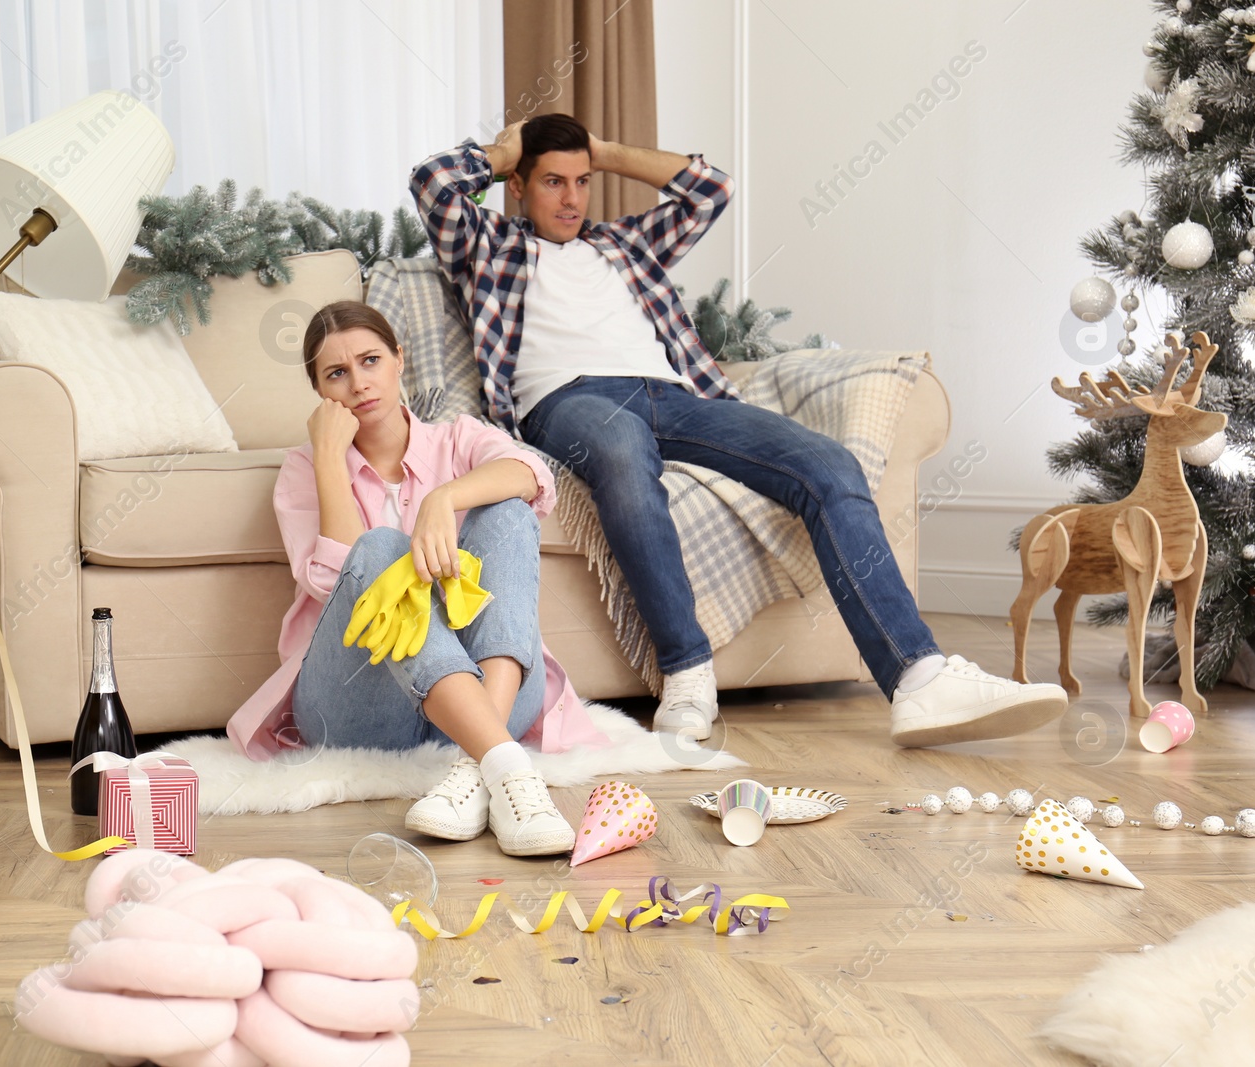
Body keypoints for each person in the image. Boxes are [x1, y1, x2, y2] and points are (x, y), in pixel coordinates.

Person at [409, 113, 1068, 748]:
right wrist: (506, 151)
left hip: (676, 395)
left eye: (582, 181)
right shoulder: (489, 245)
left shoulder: (623, 244)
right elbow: (433, 183)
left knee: (829, 465)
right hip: (570, 403)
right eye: (553, 180)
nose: (573, 197)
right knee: (620, 453)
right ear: (518, 187)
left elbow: (710, 189)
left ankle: (919, 676)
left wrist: (600, 148)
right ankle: (688, 672)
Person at [226, 300, 604, 857]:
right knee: (379, 548)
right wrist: (330, 458)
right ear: (320, 393)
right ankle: (507, 767)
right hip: (359, 705)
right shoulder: (304, 470)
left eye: (370, 360)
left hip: (485, 688)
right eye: (337, 374)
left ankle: (478, 768)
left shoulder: (458, 439)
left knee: (509, 509)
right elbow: (336, 582)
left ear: (399, 359)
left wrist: (443, 497)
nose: (359, 383)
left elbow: (533, 474)